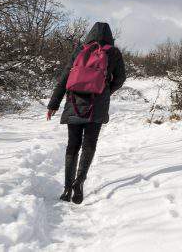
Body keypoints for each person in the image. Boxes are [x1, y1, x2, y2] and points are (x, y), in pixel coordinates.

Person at [47, 21, 126, 204]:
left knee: (72, 145)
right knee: (89, 144)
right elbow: (121, 78)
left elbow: (65, 77)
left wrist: (54, 104)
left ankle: (67, 188)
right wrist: (106, 90)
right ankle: (79, 182)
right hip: (96, 105)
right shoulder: (113, 52)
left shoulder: (80, 49)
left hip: (74, 102)